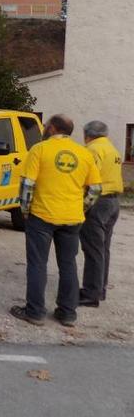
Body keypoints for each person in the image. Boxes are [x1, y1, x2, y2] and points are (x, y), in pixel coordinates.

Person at [10, 115, 101, 327]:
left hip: (42, 216)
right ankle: (67, 312)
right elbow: (96, 188)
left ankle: (34, 311)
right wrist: (82, 208)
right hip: (72, 218)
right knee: (68, 265)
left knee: (37, 264)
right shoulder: (85, 153)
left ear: (51, 128)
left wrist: (25, 211)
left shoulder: (39, 150)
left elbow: (27, 184)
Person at [79, 120, 123, 307]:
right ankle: (99, 289)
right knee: (103, 248)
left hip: (98, 202)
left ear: (87, 135)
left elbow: (89, 179)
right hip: (113, 202)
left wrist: (81, 205)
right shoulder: (112, 149)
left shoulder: (92, 150)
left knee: (93, 249)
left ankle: (90, 294)